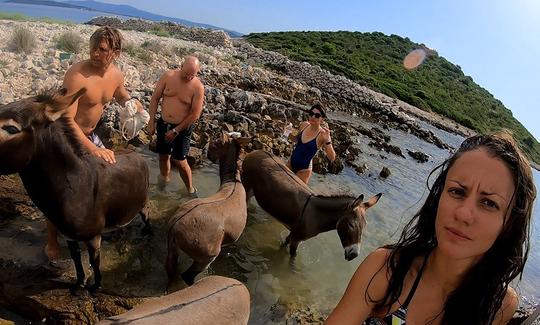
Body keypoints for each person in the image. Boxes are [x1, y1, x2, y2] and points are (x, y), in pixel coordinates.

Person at [325, 131, 536, 325]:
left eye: (489, 203)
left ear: (509, 223)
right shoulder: (387, 270)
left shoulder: (499, 304)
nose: (463, 213)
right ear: (439, 197)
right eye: (457, 191)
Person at [45, 26, 146, 263]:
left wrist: (132, 103)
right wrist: (94, 149)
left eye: (102, 50)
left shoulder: (116, 74)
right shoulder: (77, 76)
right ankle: (51, 239)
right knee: (56, 191)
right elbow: (67, 121)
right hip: (66, 135)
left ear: (115, 53)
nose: (95, 53)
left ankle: (89, 222)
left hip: (90, 134)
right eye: (93, 47)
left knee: (102, 177)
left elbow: (120, 93)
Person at [146, 56, 204, 197]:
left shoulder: (197, 87)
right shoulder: (168, 76)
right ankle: (163, 182)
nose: (189, 77)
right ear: (181, 66)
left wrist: (176, 131)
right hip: (164, 123)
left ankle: (190, 190)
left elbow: (195, 114)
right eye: (186, 73)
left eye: (193, 75)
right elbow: (155, 98)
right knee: (163, 156)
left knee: (180, 160)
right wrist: (151, 121)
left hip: (182, 128)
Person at [287, 103, 336, 184]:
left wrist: (328, 141)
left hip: (304, 170)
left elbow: (332, 158)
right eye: (311, 114)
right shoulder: (304, 125)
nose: (313, 117)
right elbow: (296, 140)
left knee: (296, 196)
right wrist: (287, 132)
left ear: (322, 119)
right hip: (291, 162)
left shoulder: (322, 135)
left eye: (317, 115)